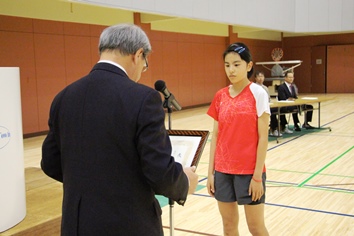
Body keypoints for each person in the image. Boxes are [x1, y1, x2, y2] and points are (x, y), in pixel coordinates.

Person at [41, 23, 198, 236]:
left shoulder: (64, 97)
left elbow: (50, 162)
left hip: (75, 224)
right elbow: (159, 171)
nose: (142, 72)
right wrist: (184, 181)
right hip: (128, 223)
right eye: (145, 64)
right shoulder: (144, 99)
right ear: (138, 54)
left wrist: (92, 184)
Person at [207, 43, 270, 235]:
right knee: (228, 226)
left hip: (249, 172)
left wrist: (257, 176)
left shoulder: (258, 93)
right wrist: (210, 173)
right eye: (227, 65)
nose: (231, 70)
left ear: (249, 66)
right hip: (223, 172)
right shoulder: (220, 96)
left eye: (236, 64)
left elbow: (263, 137)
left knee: (256, 227)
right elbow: (216, 135)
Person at [254, 71, 283, 137]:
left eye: (262, 76)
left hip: (266, 106)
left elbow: (268, 99)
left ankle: (275, 128)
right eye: (259, 76)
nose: (260, 78)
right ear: (255, 78)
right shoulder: (254, 87)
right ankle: (273, 129)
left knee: (276, 110)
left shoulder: (265, 88)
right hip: (258, 107)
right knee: (271, 112)